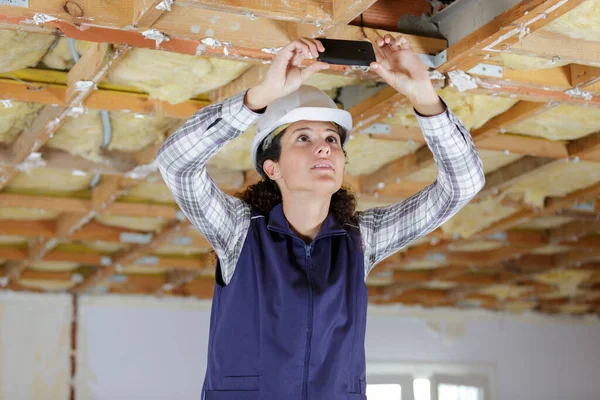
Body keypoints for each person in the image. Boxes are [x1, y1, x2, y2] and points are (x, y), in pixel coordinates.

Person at [157, 35, 484, 400]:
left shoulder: (362, 240)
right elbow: (177, 163)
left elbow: (463, 184)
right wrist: (260, 97)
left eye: (332, 138)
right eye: (302, 137)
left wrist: (425, 98)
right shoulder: (239, 234)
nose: (325, 146)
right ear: (272, 167)